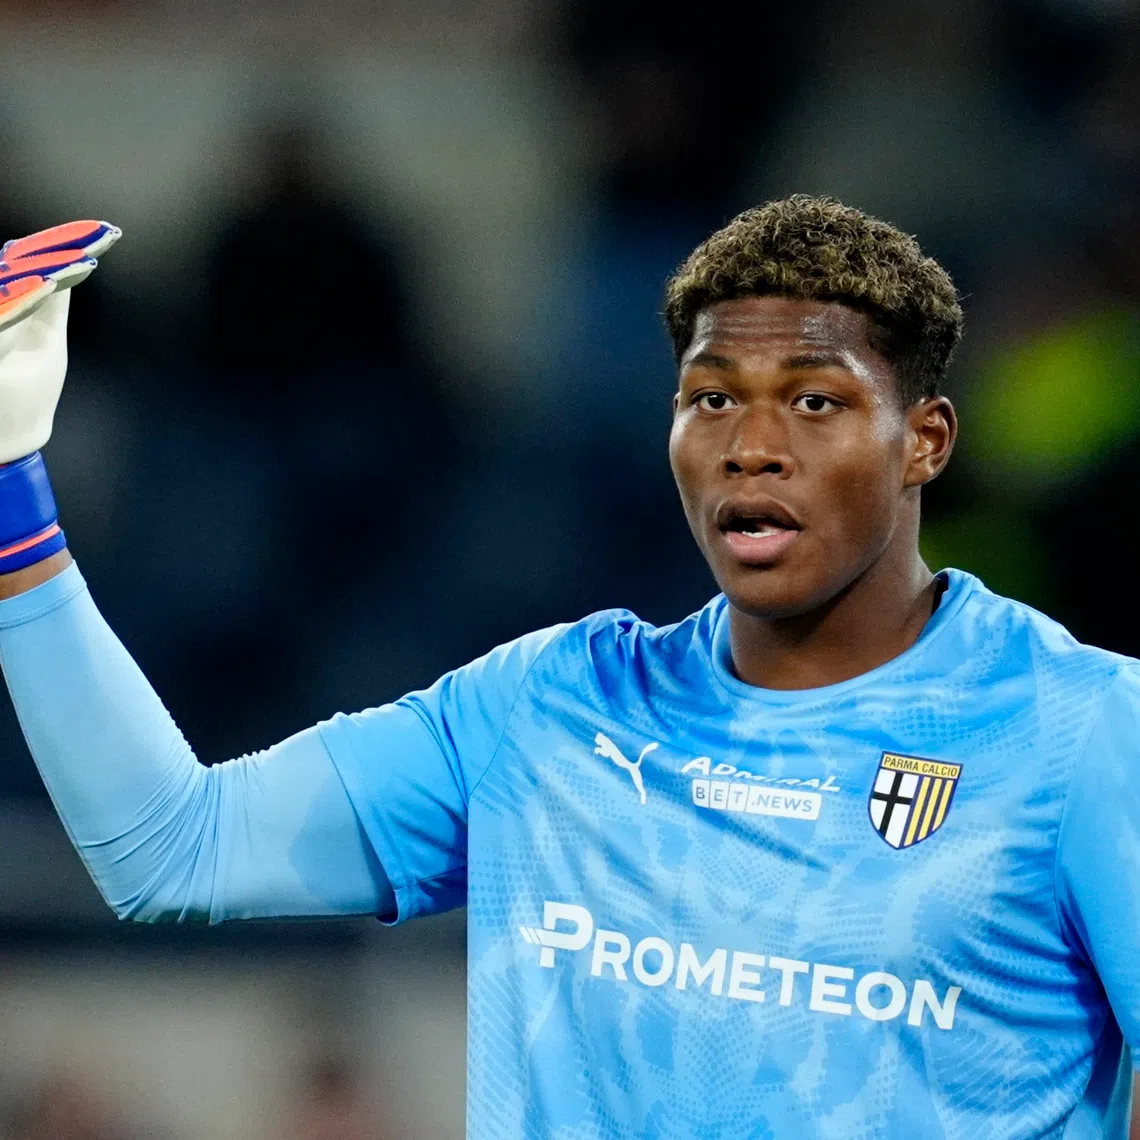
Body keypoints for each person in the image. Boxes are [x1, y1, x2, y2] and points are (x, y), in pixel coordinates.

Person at [0, 197, 1136, 1139]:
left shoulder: (1082, 732)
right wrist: (11, 481)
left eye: (815, 401)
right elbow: (169, 848)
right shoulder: (550, 711)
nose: (752, 443)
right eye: (711, 398)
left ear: (925, 440)